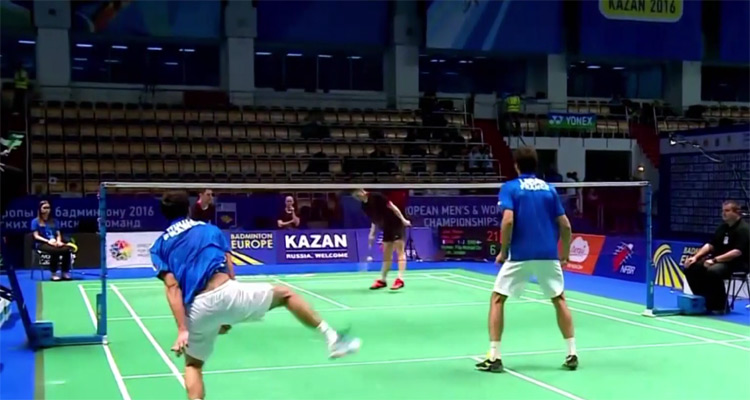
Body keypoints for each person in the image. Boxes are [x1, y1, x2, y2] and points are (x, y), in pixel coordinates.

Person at [150, 191, 361, 400]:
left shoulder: (158, 246)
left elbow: (172, 287)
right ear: (188, 208)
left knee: (193, 364)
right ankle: (331, 337)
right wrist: (228, 310)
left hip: (196, 309)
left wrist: (182, 329)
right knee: (286, 295)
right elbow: (229, 267)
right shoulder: (209, 229)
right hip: (227, 292)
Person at [475, 146, 577, 373]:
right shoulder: (549, 189)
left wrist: (503, 251)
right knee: (559, 299)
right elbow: (566, 224)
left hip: (520, 254)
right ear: (536, 165)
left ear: (516, 165)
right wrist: (566, 253)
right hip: (548, 254)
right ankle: (572, 353)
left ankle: (495, 356)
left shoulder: (510, 187)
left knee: (498, 299)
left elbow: (508, 221)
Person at [683, 200, 750, 313]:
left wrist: (714, 260)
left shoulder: (744, 229)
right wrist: (695, 257)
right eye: (722, 211)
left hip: (737, 264)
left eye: (727, 211)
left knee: (713, 271)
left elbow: (737, 252)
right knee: (692, 267)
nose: (723, 213)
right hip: (719, 261)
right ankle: (704, 301)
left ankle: (720, 305)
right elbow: (711, 245)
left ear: (737, 212)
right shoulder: (722, 227)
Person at [351, 189, 411, 290]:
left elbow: (393, 207)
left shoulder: (376, 196)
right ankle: (383, 280)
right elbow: (375, 219)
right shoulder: (364, 206)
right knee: (387, 254)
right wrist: (372, 233)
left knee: (400, 250)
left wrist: (403, 220)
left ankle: (400, 279)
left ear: (362, 191)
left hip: (396, 223)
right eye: (355, 195)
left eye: (358, 192)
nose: (357, 196)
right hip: (386, 227)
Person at [31, 200, 75, 281]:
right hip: (41, 243)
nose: (47, 210)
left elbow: (58, 234)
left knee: (66, 249)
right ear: (40, 209)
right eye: (44, 208)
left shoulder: (54, 221)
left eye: (48, 208)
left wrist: (58, 241)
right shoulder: (35, 221)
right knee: (55, 251)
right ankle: (54, 273)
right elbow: (36, 236)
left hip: (54, 242)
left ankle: (65, 272)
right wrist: (48, 241)